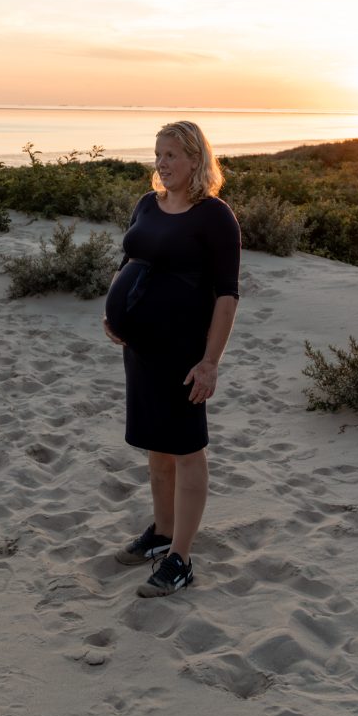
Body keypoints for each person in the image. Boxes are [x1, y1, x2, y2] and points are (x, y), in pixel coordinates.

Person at [103, 120, 240, 597]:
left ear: (196, 160)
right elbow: (128, 261)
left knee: (186, 449)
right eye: (158, 154)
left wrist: (210, 362)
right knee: (156, 445)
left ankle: (181, 559)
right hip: (140, 351)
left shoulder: (214, 216)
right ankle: (162, 532)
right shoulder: (148, 204)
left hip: (183, 353)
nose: (161, 163)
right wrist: (113, 313)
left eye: (172, 155)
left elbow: (227, 295)